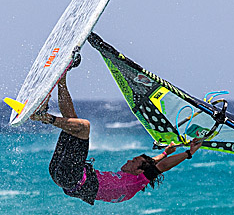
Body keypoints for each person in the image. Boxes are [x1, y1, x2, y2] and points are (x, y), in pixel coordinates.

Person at [30, 62, 202, 205]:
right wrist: (165, 153)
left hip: (71, 177)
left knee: (84, 127)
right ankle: (61, 78)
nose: (129, 160)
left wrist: (189, 153)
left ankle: (43, 116)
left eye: (133, 161)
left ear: (138, 171)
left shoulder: (136, 182)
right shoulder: (135, 175)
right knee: (73, 123)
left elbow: (161, 167)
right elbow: (152, 163)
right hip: (60, 174)